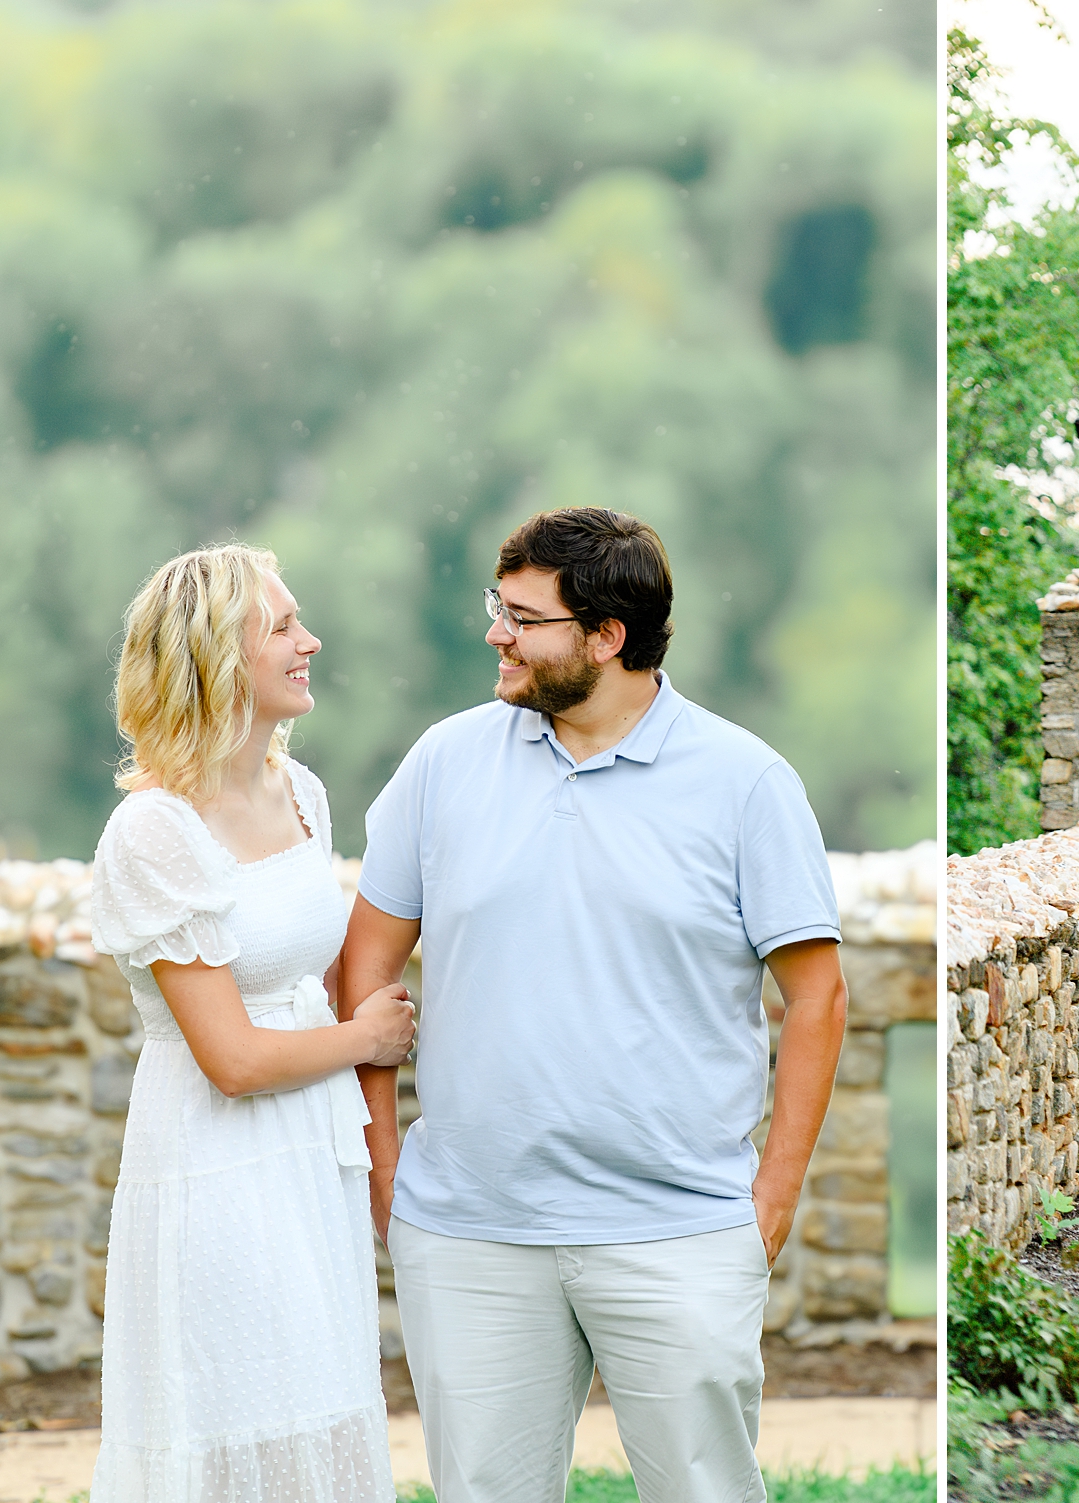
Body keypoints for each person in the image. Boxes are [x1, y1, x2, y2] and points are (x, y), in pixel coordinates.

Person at [339, 507, 847, 1503]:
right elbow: (364, 962)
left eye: (523, 617)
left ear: (606, 637)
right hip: (468, 1231)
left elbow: (817, 995)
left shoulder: (746, 782)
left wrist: (767, 1205)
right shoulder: (444, 761)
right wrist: (389, 1176)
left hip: (681, 1230)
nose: (496, 632)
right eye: (499, 606)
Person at [87, 545, 416, 1500]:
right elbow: (229, 1057)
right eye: (282, 626)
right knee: (235, 1412)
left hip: (313, 1149)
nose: (309, 641)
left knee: (320, 1398)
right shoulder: (154, 832)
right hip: (213, 1165)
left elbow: (306, 979)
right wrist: (368, 1039)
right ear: (214, 656)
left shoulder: (299, 792)